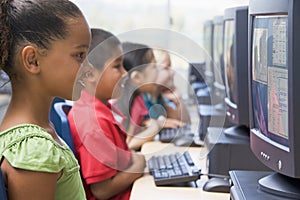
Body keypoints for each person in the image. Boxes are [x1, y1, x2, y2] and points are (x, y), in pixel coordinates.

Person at [0, 0, 91, 199]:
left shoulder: (38, 134)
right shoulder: (34, 150)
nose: (89, 69)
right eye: (79, 55)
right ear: (32, 60)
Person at [68, 28, 146, 200]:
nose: (125, 73)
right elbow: (102, 190)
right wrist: (140, 164)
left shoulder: (98, 111)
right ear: (89, 74)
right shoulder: (93, 123)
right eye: (117, 66)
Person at [116, 42, 184, 150]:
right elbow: (128, 145)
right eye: (154, 67)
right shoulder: (126, 103)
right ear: (137, 77)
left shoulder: (138, 99)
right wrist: (156, 126)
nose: (157, 72)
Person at [146, 48, 191, 124]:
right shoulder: (142, 97)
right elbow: (138, 124)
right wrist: (161, 123)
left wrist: (178, 100)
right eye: (166, 68)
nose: (173, 72)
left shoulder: (160, 97)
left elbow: (185, 122)